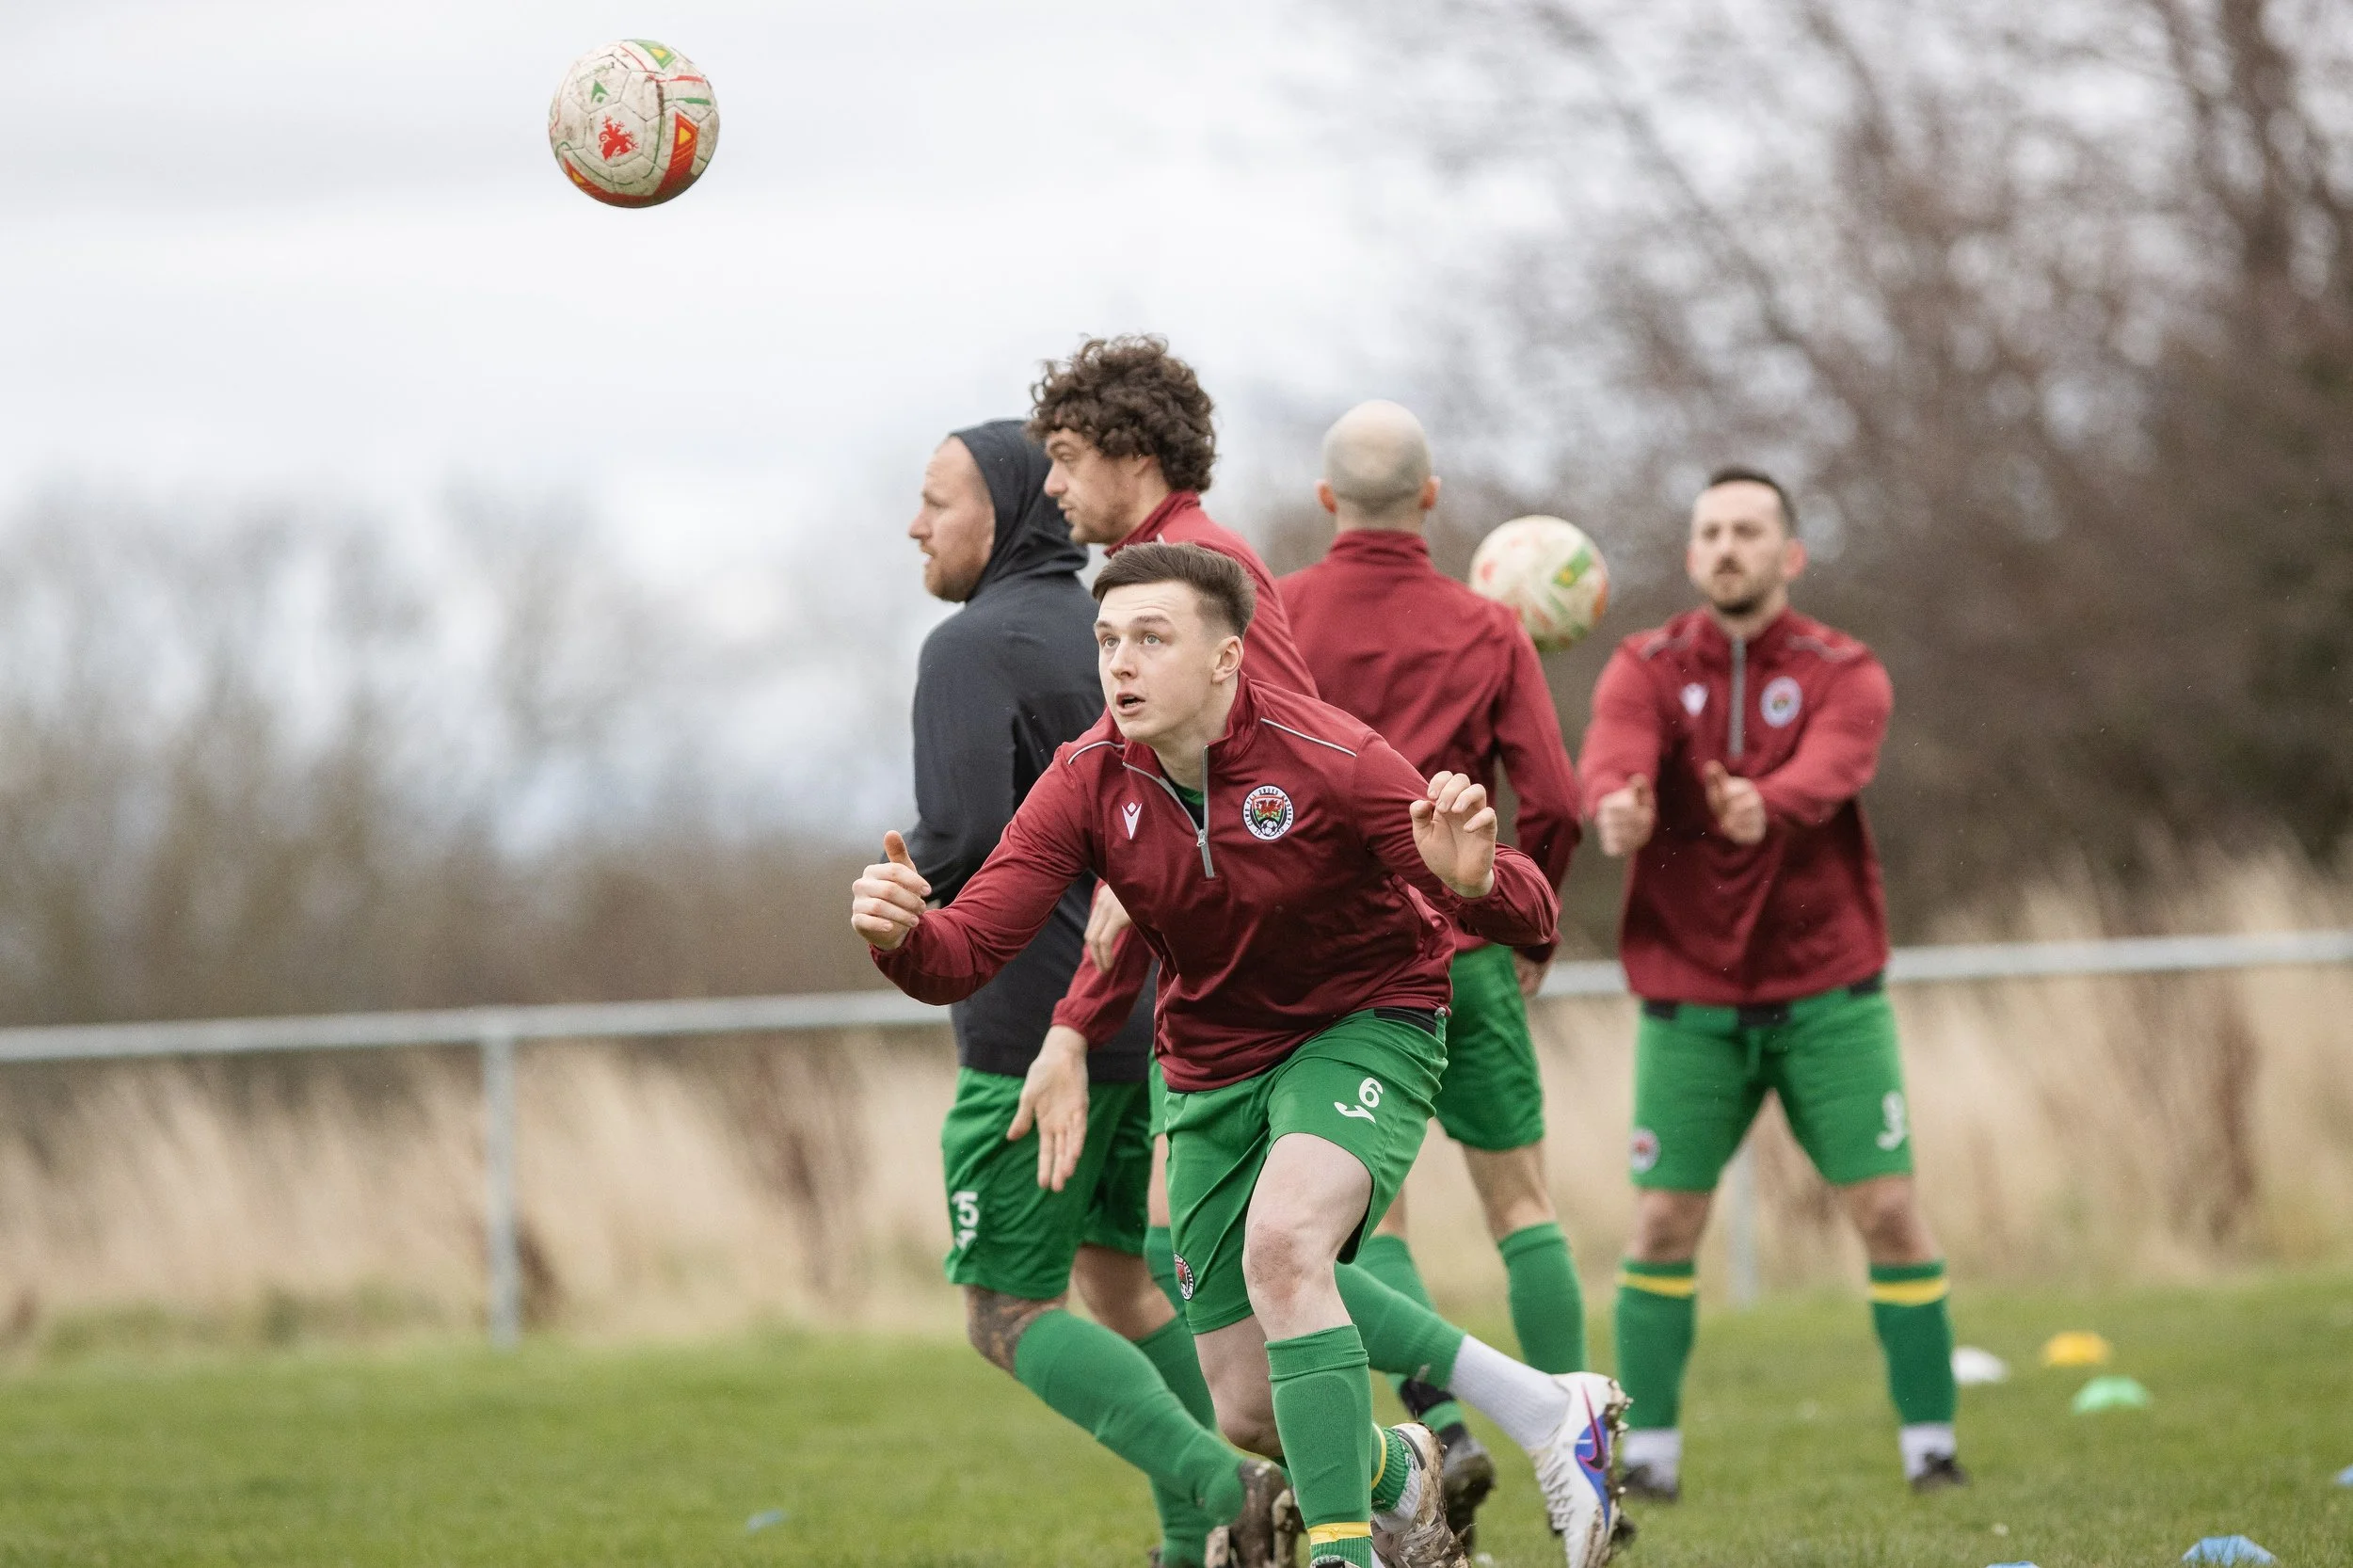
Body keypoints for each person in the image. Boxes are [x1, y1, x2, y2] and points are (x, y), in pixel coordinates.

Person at [853, 542, 1630, 1568]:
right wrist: (901, 936)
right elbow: (969, 952)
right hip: (1213, 1065)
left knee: (1284, 1246)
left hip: (1366, 1021)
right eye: (1108, 640)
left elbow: (1528, 907)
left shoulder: (1332, 754)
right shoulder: (1088, 778)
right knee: (1250, 1408)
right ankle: (1458, 1449)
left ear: (1226, 658)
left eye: (1151, 637)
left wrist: (1475, 878)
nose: (1119, 664)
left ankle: (1349, 1555)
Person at [902, 423, 1288, 1568]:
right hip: (1143, 1007)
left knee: (1005, 1312)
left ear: (1006, 510)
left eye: (934, 501)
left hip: (1033, 1028)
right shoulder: (1117, 624)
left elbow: (964, 838)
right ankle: (1201, 1541)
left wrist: (888, 895)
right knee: (1122, 1280)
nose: (914, 525)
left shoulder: (969, 646)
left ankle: (1240, 1489)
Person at [1578, 467, 1963, 1497]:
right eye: (1709, 531)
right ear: (1693, 552)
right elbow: (1611, 756)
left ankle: (1931, 1447)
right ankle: (1648, 1460)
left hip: (1826, 995)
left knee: (1886, 1207)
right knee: (1663, 1223)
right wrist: (1614, 805)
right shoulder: (1646, 664)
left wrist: (1768, 804)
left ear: (1789, 554)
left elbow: (1835, 765)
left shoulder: (1845, 667)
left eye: (1748, 529)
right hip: (1689, 1001)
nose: (1726, 546)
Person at [1279, 402, 1589, 1546]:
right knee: (1521, 1203)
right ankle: (1577, 1436)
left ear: (1324, 504)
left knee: (1372, 1217)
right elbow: (1552, 800)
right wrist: (1526, 927)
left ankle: (1441, 1425)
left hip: (1337, 973)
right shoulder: (1487, 625)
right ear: (1431, 496)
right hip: (1466, 958)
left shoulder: (1281, 615)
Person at [1020, 334, 1321, 1328]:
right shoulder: (1148, 577)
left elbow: (1292, 746)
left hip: (1265, 966)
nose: (1052, 482)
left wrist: (1177, 851)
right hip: (1211, 957)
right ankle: (1383, 1459)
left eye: (1065, 454)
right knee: (1197, 1246)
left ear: (1132, 452)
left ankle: (1480, 1419)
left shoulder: (1205, 570)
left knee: (1232, 1246)